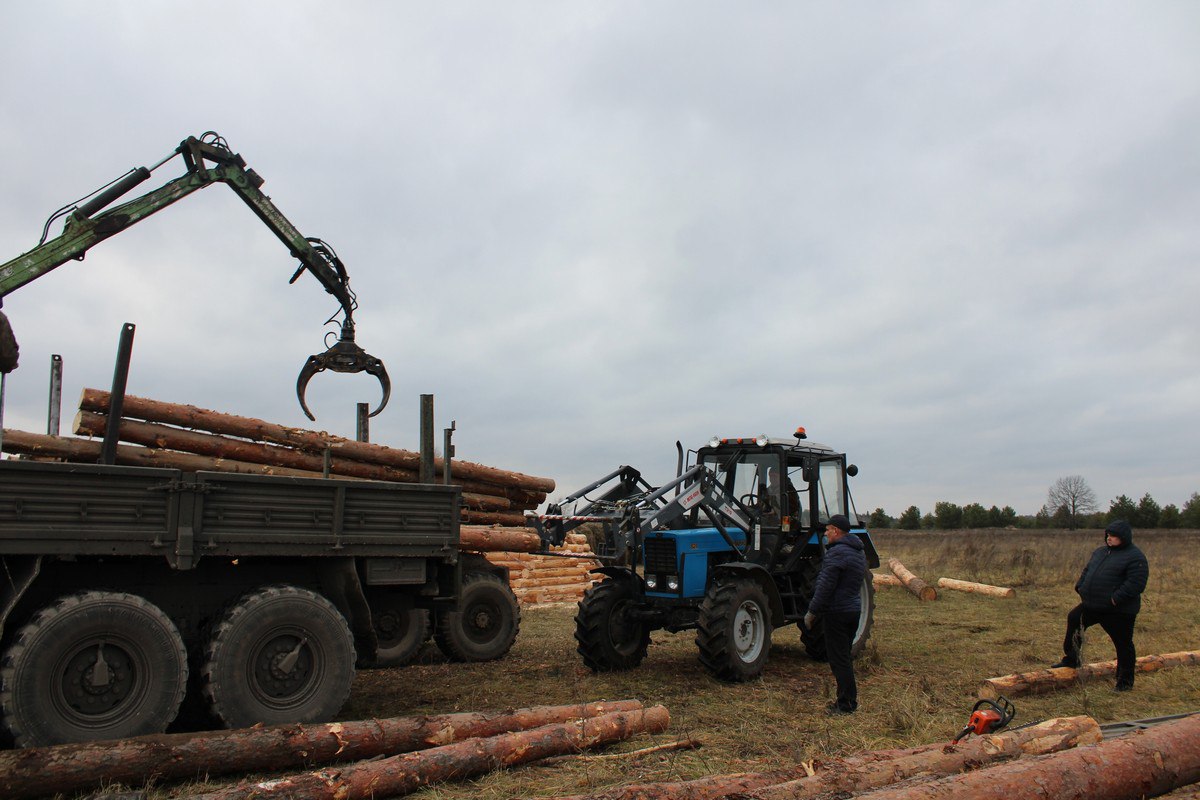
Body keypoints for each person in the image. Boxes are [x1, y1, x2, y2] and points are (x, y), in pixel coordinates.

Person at [1052, 519, 1149, 691]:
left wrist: (1115, 599)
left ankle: (1125, 682)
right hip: (1093, 605)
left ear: (1124, 537)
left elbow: (1136, 584)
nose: (1109, 538)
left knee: (1123, 644)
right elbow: (1087, 570)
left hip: (1118, 610)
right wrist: (1080, 586)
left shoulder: (1135, 557)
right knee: (1074, 618)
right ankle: (1073, 659)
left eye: (1114, 536)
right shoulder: (1101, 552)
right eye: (1108, 535)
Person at [804, 514, 867, 715]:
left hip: (837, 613)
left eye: (828, 530)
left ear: (837, 531)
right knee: (844, 658)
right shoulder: (858, 552)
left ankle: (846, 704)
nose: (826, 533)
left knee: (839, 660)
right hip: (853, 611)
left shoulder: (837, 553)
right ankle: (845, 700)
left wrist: (812, 611)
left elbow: (825, 586)